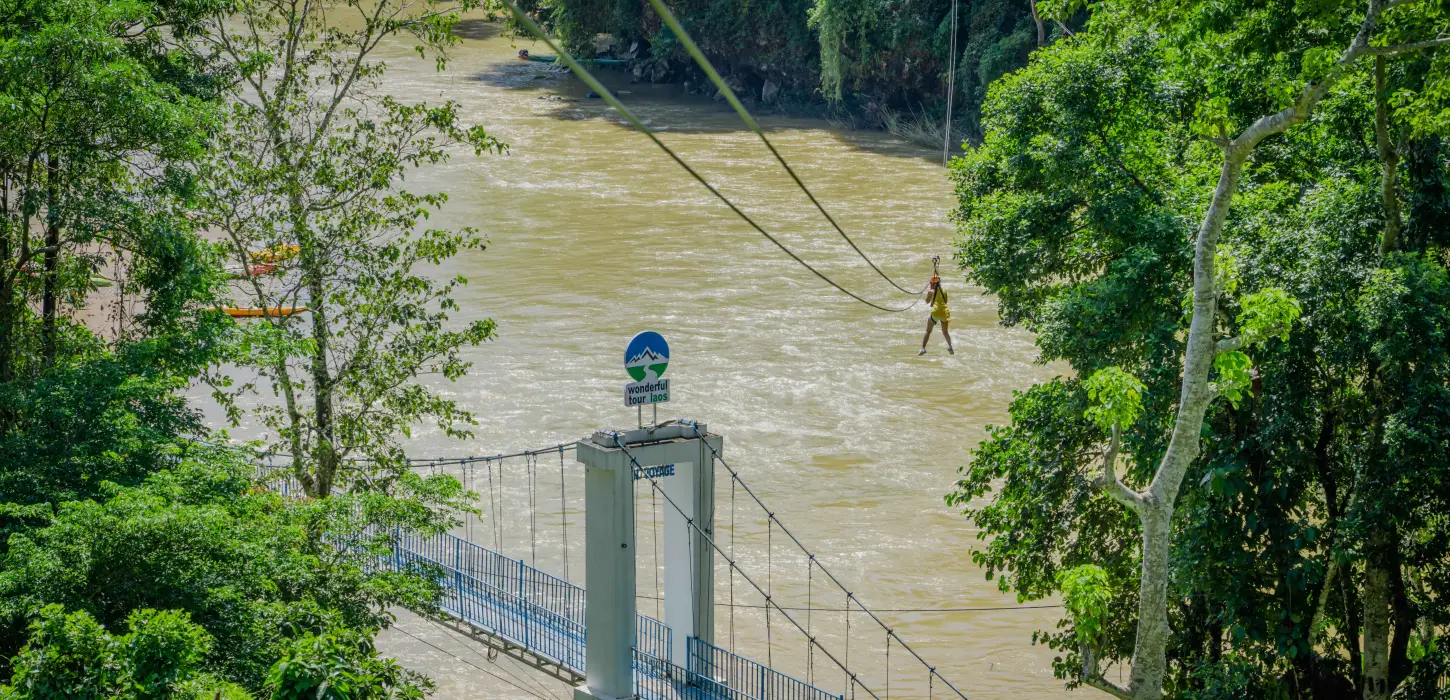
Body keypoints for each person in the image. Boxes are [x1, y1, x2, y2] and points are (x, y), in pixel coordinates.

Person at [919, 275, 953, 355]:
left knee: (928, 331)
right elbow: (944, 302)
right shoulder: (944, 291)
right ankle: (950, 346)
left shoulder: (931, 291)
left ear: (932, 283)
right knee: (945, 332)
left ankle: (923, 348)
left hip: (935, 312)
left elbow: (927, 301)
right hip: (945, 312)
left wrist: (930, 298)